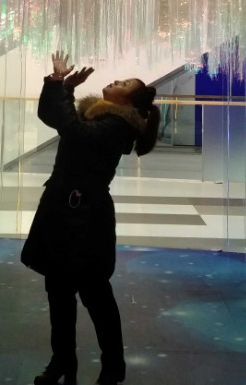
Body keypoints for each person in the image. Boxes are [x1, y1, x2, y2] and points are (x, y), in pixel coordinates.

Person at [21, 51, 161, 385]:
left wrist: (61, 86)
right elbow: (51, 116)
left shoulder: (119, 126)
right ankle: (62, 361)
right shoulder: (95, 115)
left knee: (95, 294)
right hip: (62, 209)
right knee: (58, 291)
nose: (116, 81)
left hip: (87, 218)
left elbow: (73, 132)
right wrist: (62, 87)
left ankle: (113, 366)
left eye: (123, 83)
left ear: (127, 100)